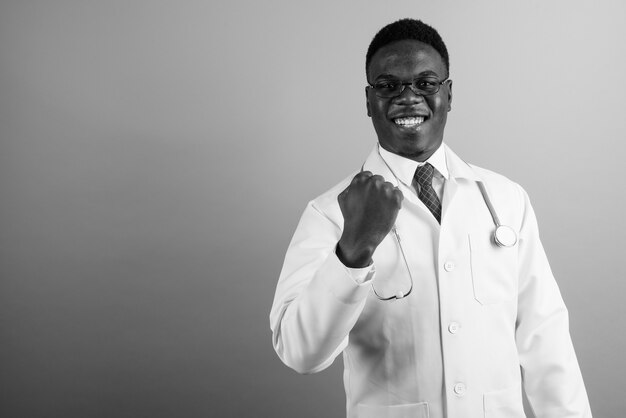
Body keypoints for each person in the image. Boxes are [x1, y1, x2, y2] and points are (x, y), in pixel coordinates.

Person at [269, 18, 592, 418]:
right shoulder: (328, 213)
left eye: (425, 83)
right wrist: (353, 249)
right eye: (389, 86)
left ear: (449, 94)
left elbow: (545, 338)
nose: (408, 98)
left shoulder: (506, 199)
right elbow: (300, 353)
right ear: (369, 100)